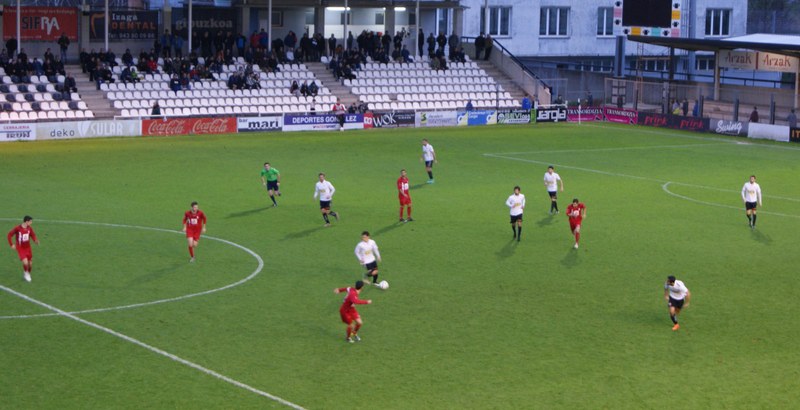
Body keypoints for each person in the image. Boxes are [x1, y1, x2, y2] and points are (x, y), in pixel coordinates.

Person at [7, 216, 39, 282]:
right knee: (25, 262)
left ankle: (27, 273)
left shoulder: (29, 228)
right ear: (26, 221)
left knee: (30, 263)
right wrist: (11, 244)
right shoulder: (17, 228)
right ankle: (26, 274)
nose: (31, 223)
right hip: (20, 248)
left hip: (28, 247)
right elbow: (9, 235)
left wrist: (35, 240)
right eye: (30, 221)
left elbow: (33, 235)